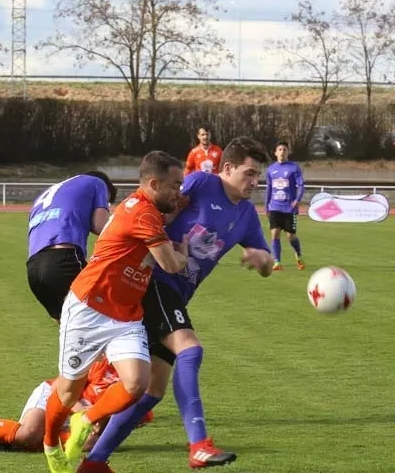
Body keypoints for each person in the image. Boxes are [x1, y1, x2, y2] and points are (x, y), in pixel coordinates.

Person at [78, 136, 274, 473]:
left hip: (178, 294)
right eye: (249, 173)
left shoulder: (246, 215)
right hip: (155, 281)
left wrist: (262, 259)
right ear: (226, 169)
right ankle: (199, 445)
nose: (255, 182)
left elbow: (268, 266)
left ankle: (94, 461)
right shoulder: (200, 183)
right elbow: (154, 204)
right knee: (190, 349)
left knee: (152, 391)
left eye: (258, 176)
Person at [41, 150, 189, 473]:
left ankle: (87, 419)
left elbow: (177, 210)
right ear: (153, 184)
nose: (180, 192)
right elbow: (169, 264)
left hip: (125, 314)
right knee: (67, 391)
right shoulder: (142, 213)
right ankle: (50, 441)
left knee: (137, 383)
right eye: (176, 185)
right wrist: (184, 255)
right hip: (88, 308)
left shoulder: (148, 209)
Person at [0, 357, 153, 454]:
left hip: (83, 420)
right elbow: (61, 390)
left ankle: (7, 443)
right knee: (28, 433)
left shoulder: (140, 392)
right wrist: (85, 412)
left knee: (89, 444)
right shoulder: (100, 364)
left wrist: (98, 424)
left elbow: (119, 426)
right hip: (58, 396)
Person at [27, 172, 118, 321]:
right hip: (64, 260)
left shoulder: (50, 193)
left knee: (68, 327)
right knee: (105, 318)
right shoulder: (98, 183)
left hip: (34, 269)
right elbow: (101, 227)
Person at [265, 141, 306, 271]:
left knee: (290, 236)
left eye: (285, 149)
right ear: (275, 153)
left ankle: (298, 256)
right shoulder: (271, 169)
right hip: (275, 207)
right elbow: (269, 188)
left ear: (288, 152)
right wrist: (266, 206)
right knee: (275, 233)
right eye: (280, 149)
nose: (282, 152)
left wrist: (297, 200)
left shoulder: (294, 168)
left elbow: (301, 185)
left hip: (289, 207)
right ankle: (277, 262)